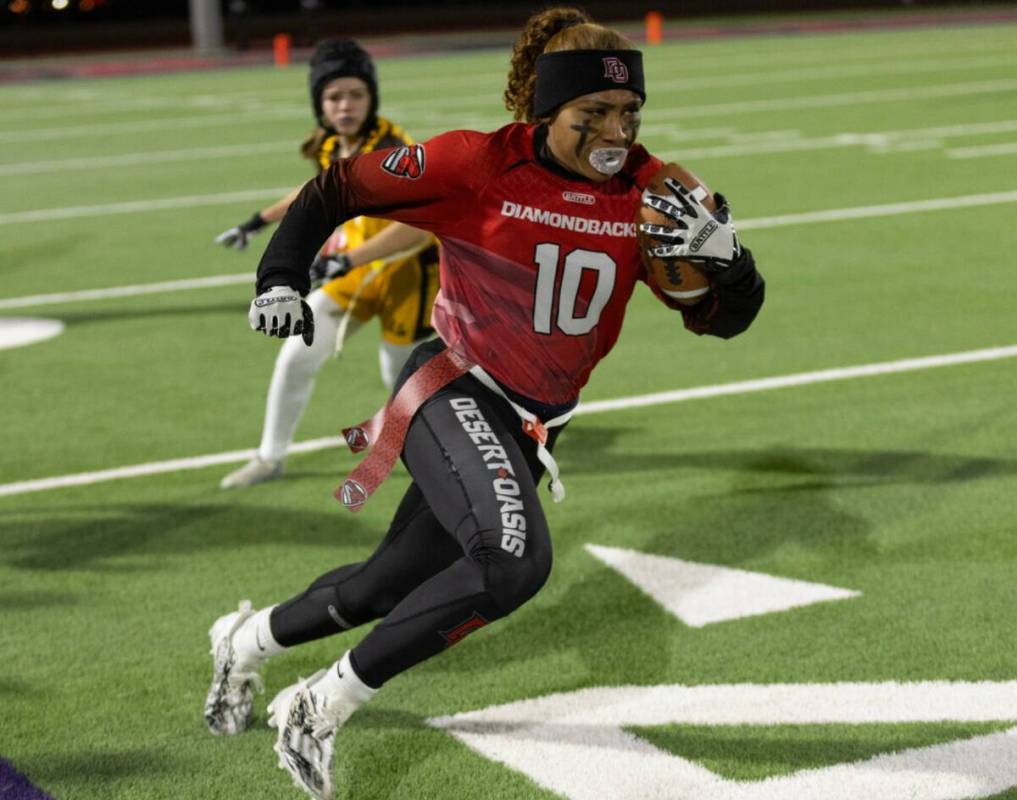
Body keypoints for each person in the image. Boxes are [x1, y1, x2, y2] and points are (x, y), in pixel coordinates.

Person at [204, 8, 765, 799]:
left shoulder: (654, 190)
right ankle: (320, 704)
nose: (615, 131)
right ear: (546, 110)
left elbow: (722, 321)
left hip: (535, 422)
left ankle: (246, 640)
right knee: (511, 563)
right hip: (453, 385)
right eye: (593, 114)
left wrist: (731, 264)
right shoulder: (475, 162)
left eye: (628, 112)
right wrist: (278, 276)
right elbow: (337, 186)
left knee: (383, 587)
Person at [216, 38, 440, 488]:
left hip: (405, 277)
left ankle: (455, 450)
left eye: (356, 95)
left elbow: (418, 228)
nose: (345, 105)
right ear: (319, 103)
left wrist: (347, 259)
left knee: (400, 380)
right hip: (351, 271)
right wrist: (258, 220)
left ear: (371, 98)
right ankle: (270, 456)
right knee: (295, 358)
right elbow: (316, 193)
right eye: (334, 96)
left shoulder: (393, 149)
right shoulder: (332, 145)